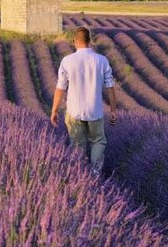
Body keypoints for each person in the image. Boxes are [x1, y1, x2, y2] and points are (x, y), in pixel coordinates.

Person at [50, 26, 118, 176]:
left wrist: (54, 110)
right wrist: (113, 110)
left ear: (75, 41)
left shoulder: (67, 61)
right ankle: (94, 172)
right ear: (90, 41)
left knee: (77, 144)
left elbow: (60, 87)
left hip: (74, 111)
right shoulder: (102, 60)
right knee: (98, 141)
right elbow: (110, 87)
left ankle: (79, 175)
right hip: (95, 110)